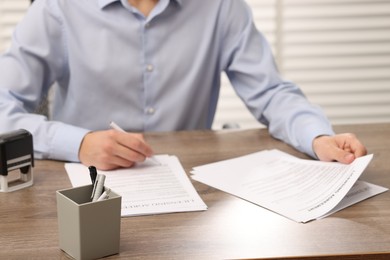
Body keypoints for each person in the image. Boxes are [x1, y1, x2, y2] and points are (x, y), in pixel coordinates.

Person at [0, 0, 366, 170]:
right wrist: (77, 143)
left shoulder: (222, 7)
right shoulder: (57, 9)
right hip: (84, 185)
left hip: (192, 187)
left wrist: (317, 137)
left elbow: (271, 92)